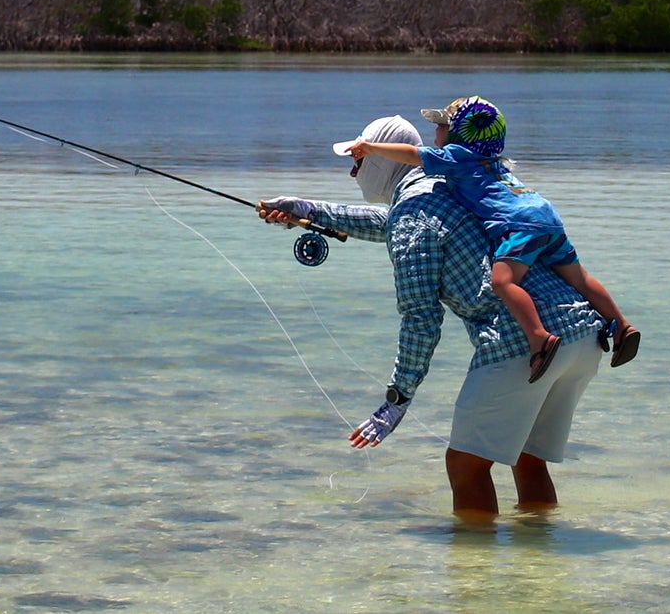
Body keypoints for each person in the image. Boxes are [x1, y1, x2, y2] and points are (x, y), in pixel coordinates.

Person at [257, 114, 606, 519]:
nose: (353, 172)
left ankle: (475, 576)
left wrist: (398, 397)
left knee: (465, 465)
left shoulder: (413, 216)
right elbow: (394, 223)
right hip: (580, 331)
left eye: (357, 161)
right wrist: (307, 209)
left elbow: (420, 318)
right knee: (527, 457)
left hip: (523, 344)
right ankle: (538, 566)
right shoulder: (450, 182)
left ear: (383, 162)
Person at [339, 96, 638, 381]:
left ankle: (539, 338)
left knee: (503, 282)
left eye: (442, 126)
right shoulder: (490, 159)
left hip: (519, 225)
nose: (435, 131)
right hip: (545, 213)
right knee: (580, 278)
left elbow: (411, 155)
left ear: (459, 135)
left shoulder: (457, 157)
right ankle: (622, 325)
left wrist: (371, 148)